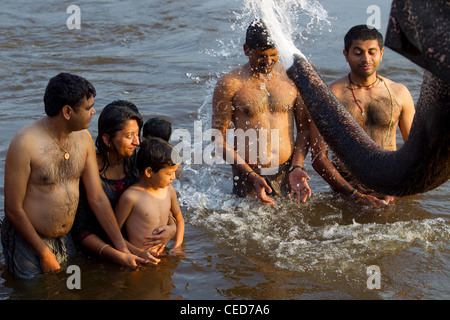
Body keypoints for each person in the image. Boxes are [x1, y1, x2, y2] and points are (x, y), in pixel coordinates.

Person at [1, 73, 142, 279]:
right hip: (28, 239)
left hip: (65, 238)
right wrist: (43, 252)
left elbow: (97, 197)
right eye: (88, 108)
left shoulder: (83, 138)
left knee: (67, 288)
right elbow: (13, 209)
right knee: (33, 291)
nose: (93, 111)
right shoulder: (25, 143)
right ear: (67, 111)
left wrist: (121, 246)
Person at [310, 25, 415, 206]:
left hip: (390, 189)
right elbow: (318, 157)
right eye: (358, 52)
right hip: (346, 193)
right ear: (346, 54)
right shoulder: (330, 96)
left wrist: (397, 190)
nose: (366, 58)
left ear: (381, 53)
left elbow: (415, 151)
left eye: (372, 52)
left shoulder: (399, 93)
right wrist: (354, 195)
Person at [212, 19, 312, 206]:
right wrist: (250, 174)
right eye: (261, 56)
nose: (268, 62)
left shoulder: (293, 78)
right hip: (247, 174)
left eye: (274, 55)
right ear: (246, 50)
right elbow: (218, 138)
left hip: (287, 172)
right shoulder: (230, 83)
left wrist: (297, 166)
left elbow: (305, 130)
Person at [72, 100, 177, 265]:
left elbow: (159, 197)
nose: (137, 142)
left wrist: (172, 228)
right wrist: (120, 255)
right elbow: (81, 232)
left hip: (135, 251)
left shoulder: (138, 162)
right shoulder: (89, 173)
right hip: (100, 255)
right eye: (129, 136)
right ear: (107, 140)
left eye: (138, 134)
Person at [115, 137, 185, 254]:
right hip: (138, 258)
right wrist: (138, 253)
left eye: (174, 172)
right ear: (149, 172)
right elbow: (114, 235)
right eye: (169, 173)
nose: (173, 177)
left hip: (162, 255)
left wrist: (176, 248)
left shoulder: (169, 190)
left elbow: (180, 220)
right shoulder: (131, 197)